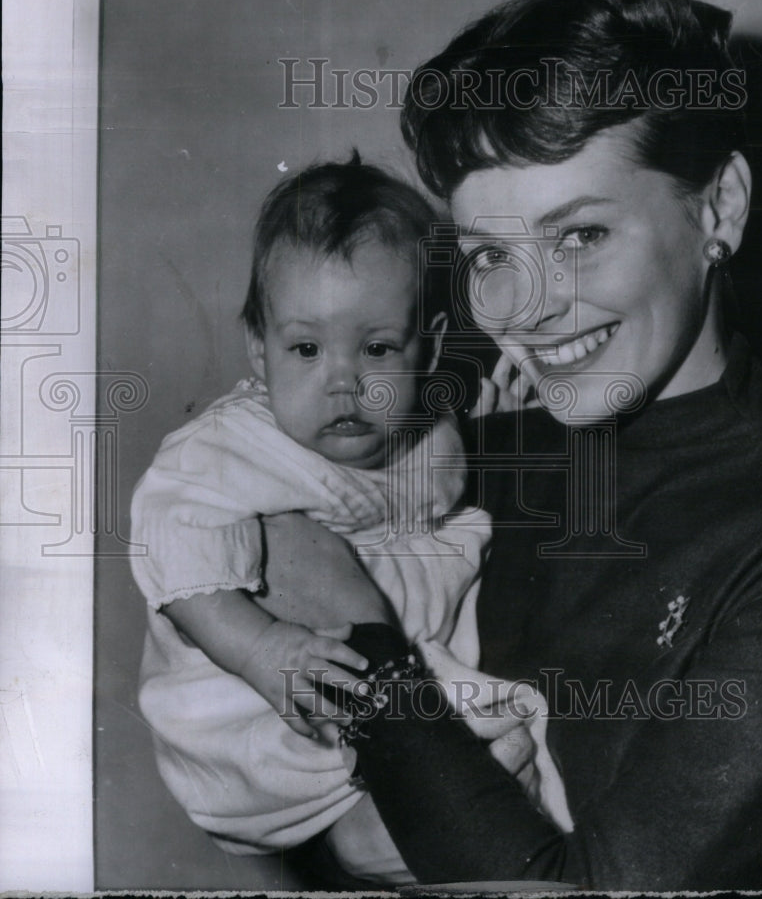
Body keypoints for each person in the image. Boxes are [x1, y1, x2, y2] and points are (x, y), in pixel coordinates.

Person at [261, 0, 762, 890]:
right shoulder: (476, 454)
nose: (527, 308)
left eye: (581, 236)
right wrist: (341, 835)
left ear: (719, 208)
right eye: (489, 257)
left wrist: (352, 627)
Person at [130, 157, 510, 878]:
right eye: (305, 348)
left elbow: (450, 452)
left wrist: (499, 402)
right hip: (255, 703)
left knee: (500, 756)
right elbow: (174, 553)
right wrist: (262, 649)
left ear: (423, 348)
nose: (343, 381)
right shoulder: (234, 445)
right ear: (257, 348)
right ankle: (367, 814)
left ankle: (376, 822)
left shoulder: (427, 425)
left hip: (383, 671)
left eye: (375, 348)